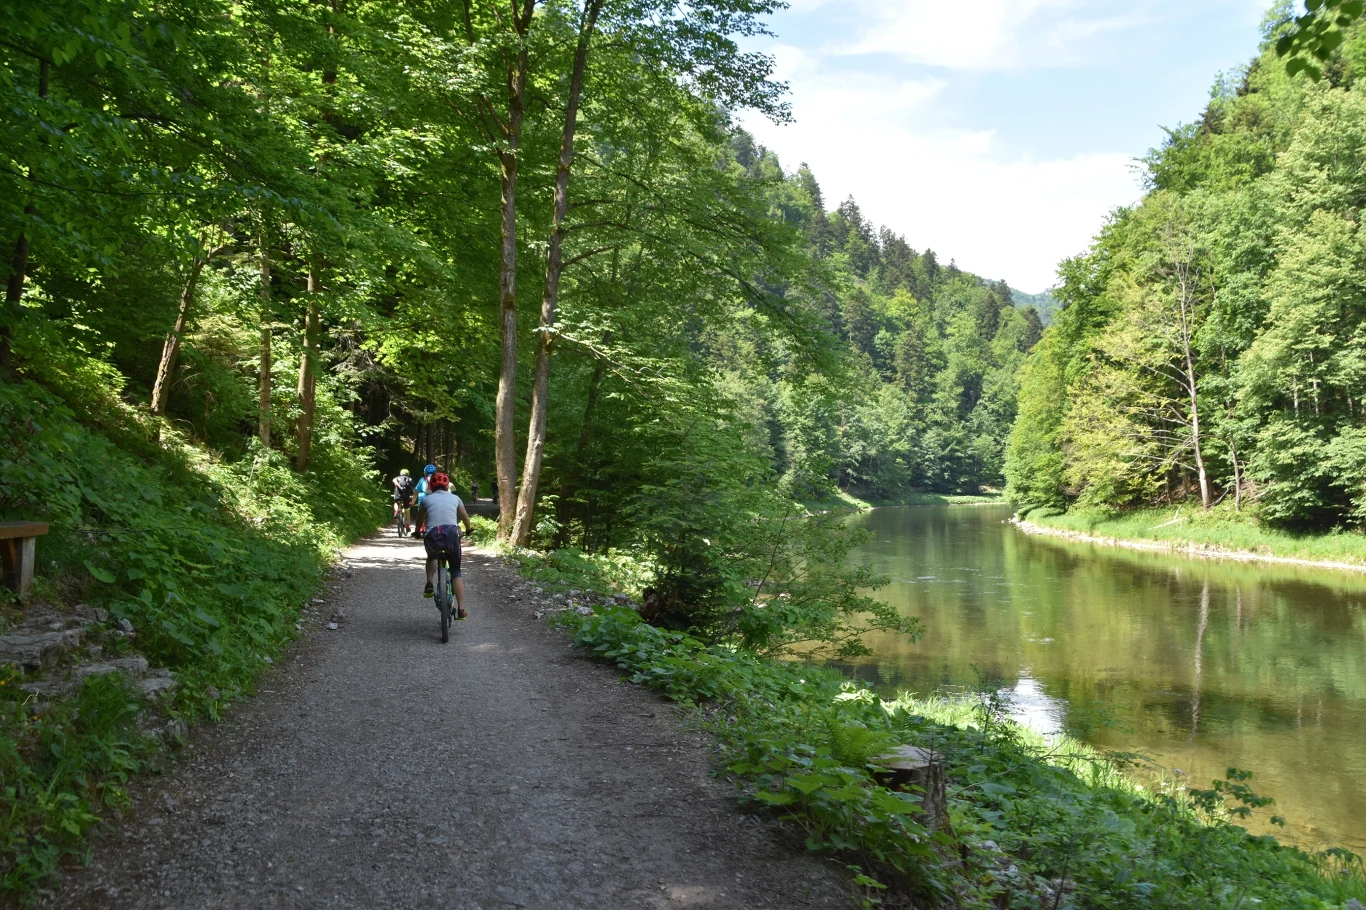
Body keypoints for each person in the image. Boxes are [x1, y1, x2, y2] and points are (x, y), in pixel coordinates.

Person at [415, 472, 472, 619]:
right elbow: (465, 517)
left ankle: (429, 583)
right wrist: (468, 529)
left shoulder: (426, 500)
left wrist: (417, 532)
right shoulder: (455, 498)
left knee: (431, 556)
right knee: (456, 571)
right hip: (451, 535)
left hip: (433, 536)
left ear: (430, 486)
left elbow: (420, 519)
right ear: (447, 486)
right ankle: (461, 609)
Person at [411, 464, 437, 537]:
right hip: (434, 499)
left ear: (425, 472)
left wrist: (412, 502)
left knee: (420, 515)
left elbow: (416, 492)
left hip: (423, 499)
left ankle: (418, 530)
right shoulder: (437, 479)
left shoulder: (422, 480)